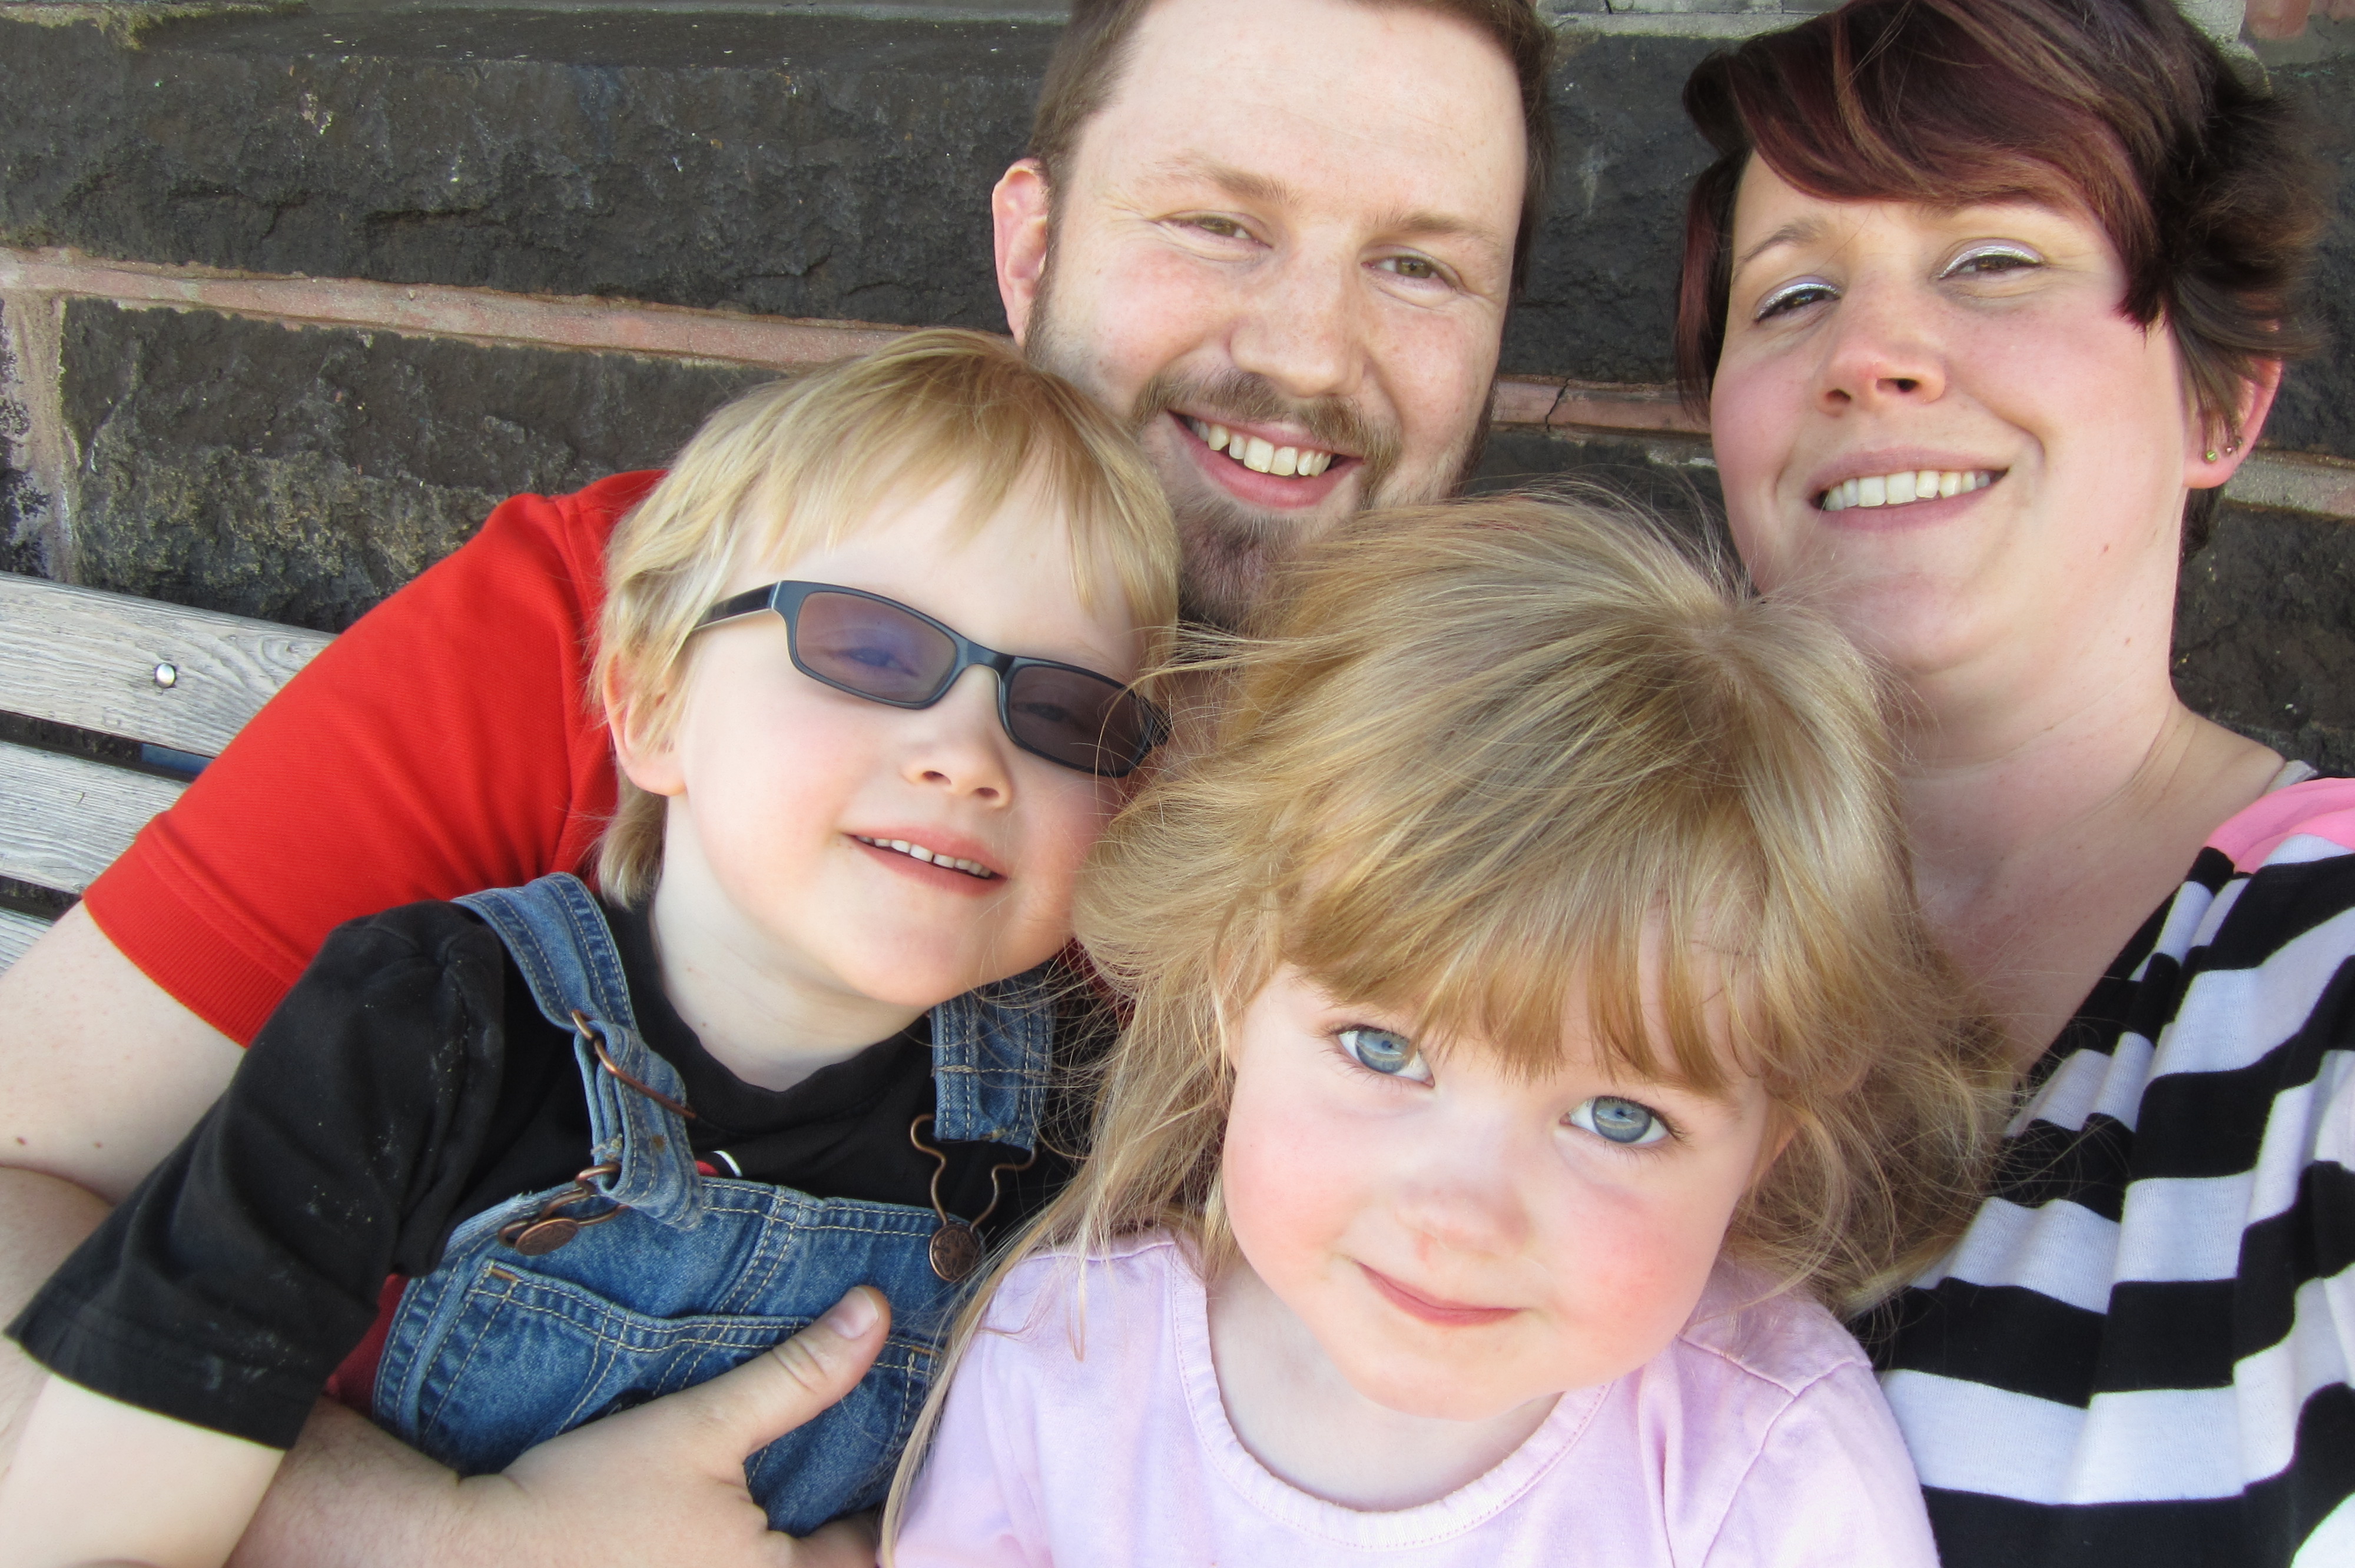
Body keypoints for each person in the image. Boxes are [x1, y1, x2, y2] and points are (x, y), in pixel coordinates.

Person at [0, 2, 1550, 1563]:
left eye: (1419, 265)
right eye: (1219, 223)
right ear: (1033, 245)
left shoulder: (1523, 840)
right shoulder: (635, 631)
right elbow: (23, 1165)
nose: (1302, 351)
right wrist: (455, 1545)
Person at [0, 330, 1180, 1566]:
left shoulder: (1070, 1120)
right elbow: (97, 1524)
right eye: (870, 652)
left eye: (1065, 713)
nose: (970, 758)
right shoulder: (421, 1032)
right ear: (652, 706)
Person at [883, 496, 2012, 1565]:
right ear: (1235, 994)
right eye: (1384, 1049)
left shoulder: (1768, 1468)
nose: (1463, 1216)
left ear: (1765, 1147)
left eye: (1620, 1117)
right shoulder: (1068, 1361)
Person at [1676, 1, 2349, 1562]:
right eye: (1793, 295)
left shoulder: (2317, 995)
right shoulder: (1569, 909)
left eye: (1991, 260)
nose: (1866, 359)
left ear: (2220, 398)